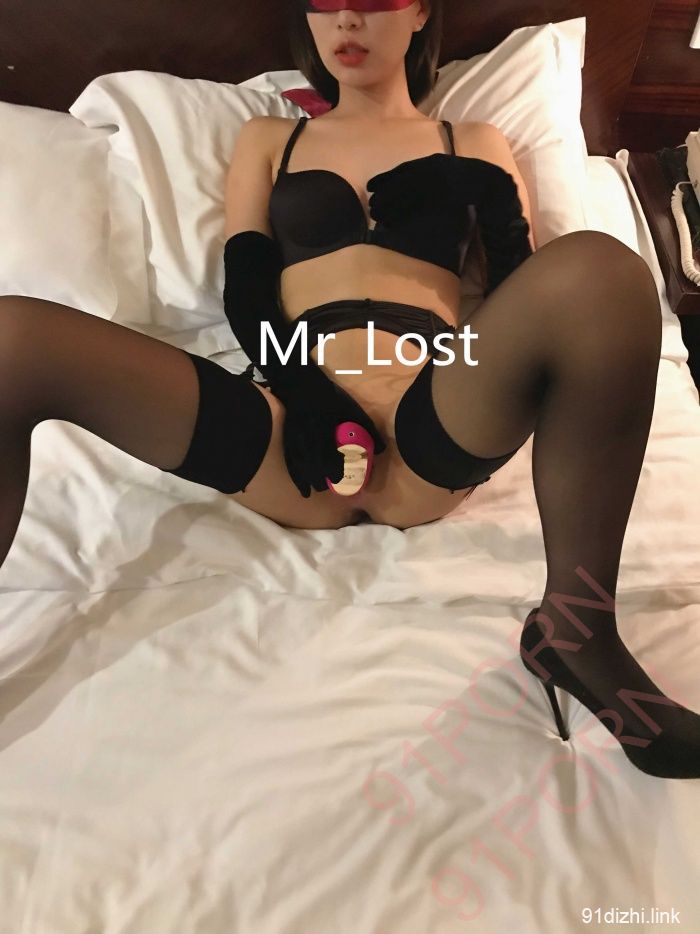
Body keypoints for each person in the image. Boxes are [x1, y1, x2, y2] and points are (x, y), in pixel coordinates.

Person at [1, 0, 698, 778]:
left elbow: (521, 304)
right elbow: (247, 293)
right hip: (289, 430)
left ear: (419, 12)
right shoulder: (270, 139)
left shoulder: (473, 142)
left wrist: (488, 195)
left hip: (433, 415)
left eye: (370, 2)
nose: (346, 22)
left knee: (606, 271)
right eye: (326, 4)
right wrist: (309, 399)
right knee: (11, 339)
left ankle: (577, 630)